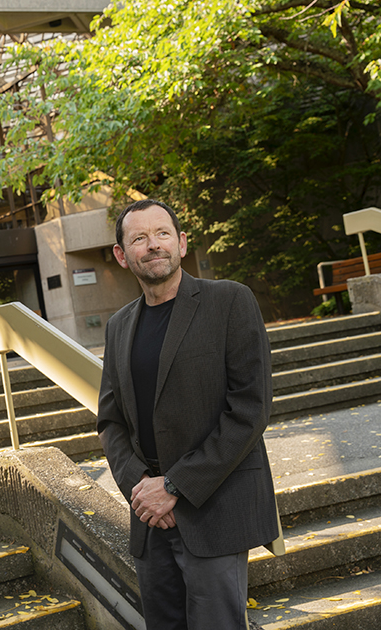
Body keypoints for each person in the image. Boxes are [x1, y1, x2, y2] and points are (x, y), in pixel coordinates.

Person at [97, 199, 280, 629]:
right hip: (149, 516)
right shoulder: (118, 326)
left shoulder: (230, 301)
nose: (153, 245)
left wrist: (175, 486)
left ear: (181, 241)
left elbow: (251, 408)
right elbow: (110, 420)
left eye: (162, 234)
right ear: (123, 255)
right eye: (139, 238)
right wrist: (142, 487)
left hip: (215, 508)